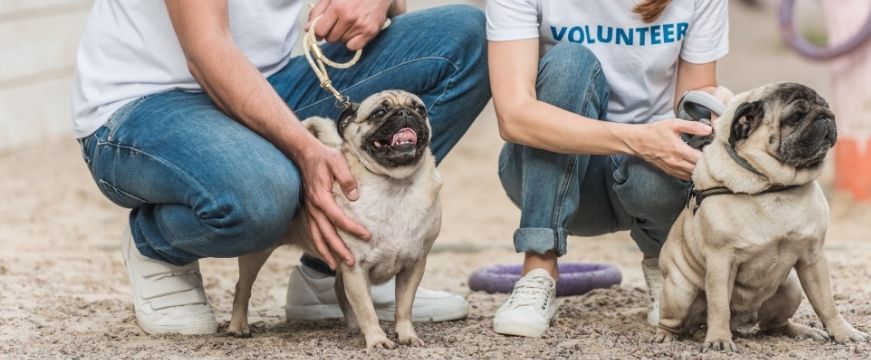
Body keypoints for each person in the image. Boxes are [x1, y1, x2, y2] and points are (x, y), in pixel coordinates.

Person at [73, 0, 490, 335]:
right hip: (148, 102)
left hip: (275, 82)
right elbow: (206, 49)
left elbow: (386, 12)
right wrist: (306, 150)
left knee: (469, 38)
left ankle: (338, 264)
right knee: (267, 194)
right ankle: (157, 244)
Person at [485, 0, 732, 337]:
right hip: (551, 175)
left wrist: (715, 104)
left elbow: (692, 95)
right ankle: (538, 270)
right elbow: (514, 117)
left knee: (686, 140)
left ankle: (668, 266)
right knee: (569, 61)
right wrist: (638, 139)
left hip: (649, 174)